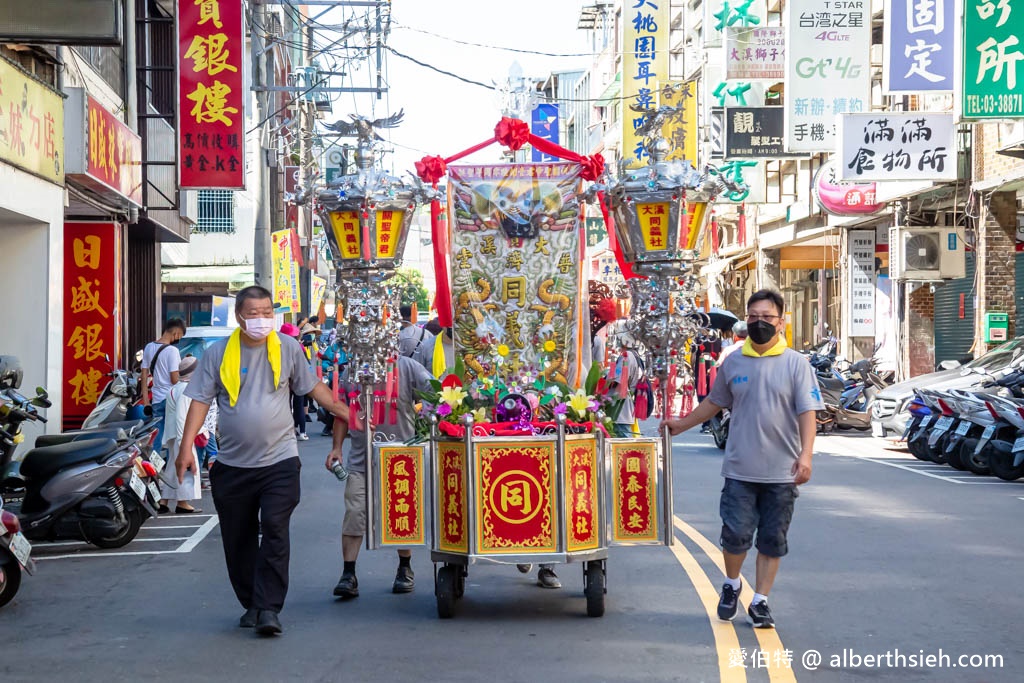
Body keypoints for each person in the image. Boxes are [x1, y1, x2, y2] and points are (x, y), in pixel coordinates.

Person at [176, 286, 350, 636]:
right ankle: (252, 602)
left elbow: (312, 387)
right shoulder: (218, 353)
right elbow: (199, 401)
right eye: (253, 313)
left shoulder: (287, 348)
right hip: (233, 465)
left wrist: (346, 412)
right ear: (240, 316)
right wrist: (185, 449)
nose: (261, 319)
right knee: (237, 539)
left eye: (266, 312)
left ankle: (269, 607)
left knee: (274, 527)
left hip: (280, 460)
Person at [660, 289, 822, 629]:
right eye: (753, 317)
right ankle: (732, 584)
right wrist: (682, 425)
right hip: (740, 468)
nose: (760, 323)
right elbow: (714, 402)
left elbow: (808, 412)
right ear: (745, 320)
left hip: (782, 471)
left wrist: (806, 456)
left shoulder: (796, 364)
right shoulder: (733, 361)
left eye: (767, 317)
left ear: (780, 321)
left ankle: (761, 600)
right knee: (734, 536)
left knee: (772, 540)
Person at [326, 355, 434, 598]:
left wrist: (428, 424)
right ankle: (348, 573)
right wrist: (336, 448)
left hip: (400, 457)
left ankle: (405, 568)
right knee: (355, 511)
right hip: (361, 457)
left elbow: (436, 394)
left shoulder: (407, 367)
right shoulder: (351, 370)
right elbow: (342, 412)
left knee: (401, 511)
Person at [159, 355, 208, 514]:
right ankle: (182, 502)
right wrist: (184, 444)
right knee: (187, 469)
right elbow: (182, 418)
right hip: (182, 436)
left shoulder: (175, 388)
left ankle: (163, 500)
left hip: (173, 435)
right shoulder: (187, 390)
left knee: (172, 468)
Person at [141, 318, 187, 450]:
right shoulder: (172, 351)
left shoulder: (149, 347)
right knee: (174, 435)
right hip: (171, 399)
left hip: (156, 398)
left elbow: (144, 375)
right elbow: (174, 379)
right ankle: (172, 464)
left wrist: (146, 401)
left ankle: (154, 466)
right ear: (177, 333)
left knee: (157, 435)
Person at [280, 323, 310, 441]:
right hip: (299, 380)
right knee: (299, 406)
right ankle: (302, 432)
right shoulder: (299, 347)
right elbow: (306, 364)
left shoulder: (279, 347)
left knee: (286, 407)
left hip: (285, 381)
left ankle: (289, 431)